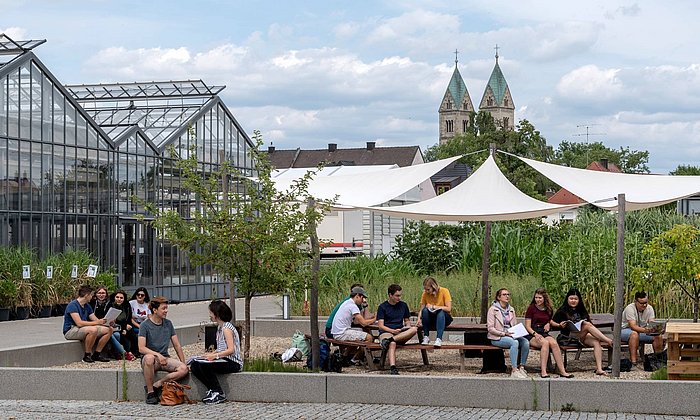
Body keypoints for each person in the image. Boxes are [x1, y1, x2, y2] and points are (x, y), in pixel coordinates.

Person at [189, 300, 243, 404]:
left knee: (206, 366)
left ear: (216, 314)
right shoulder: (220, 328)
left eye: (210, 313)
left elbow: (231, 350)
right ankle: (212, 389)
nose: (209, 315)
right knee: (195, 365)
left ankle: (219, 392)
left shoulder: (226, 328)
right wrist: (210, 355)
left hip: (233, 362)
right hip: (224, 359)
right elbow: (222, 348)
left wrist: (215, 356)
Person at [139, 296, 188, 404]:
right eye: (163, 308)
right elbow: (141, 348)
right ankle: (150, 393)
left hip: (165, 358)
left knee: (183, 369)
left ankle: (158, 384)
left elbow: (177, 345)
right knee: (149, 358)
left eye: (166, 308)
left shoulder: (168, 323)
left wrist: (183, 362)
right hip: (151, 359)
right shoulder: (145, 325)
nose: (166, 311)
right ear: (155, 310)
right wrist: (158, 355)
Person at [553, 288, 613, 376]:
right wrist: (559, 325)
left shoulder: (581, 310)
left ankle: (599, 369)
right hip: (568, 336)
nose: (573, 301)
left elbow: (589, 323)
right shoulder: (562, 310)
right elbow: (552, 322)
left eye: (575, 299)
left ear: (579, 300)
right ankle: (609, 341)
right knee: (587, 325)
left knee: (596, 341)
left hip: (582, 335)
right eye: (571, 299)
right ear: (567, 299)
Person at [524, 288, 574, 378]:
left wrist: (556, 325)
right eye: (536, 297)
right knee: (545, 343)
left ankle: (562, 370)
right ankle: (543, 371)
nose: (537, 300)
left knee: (554, 343)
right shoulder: (531, 308)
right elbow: (527, 326)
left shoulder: (548, 309)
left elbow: (549, 320)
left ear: (544, 298)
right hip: (532, 333)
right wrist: (535, 334)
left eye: (540, 298)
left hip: (543, 332)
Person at [62, 284, 113, 363]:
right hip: (71, 330)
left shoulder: (87, 306)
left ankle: (97, 354)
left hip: (82, 329)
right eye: (91, 295)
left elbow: (95, 319)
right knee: (93, 330)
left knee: (108, 330)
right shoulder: (72, 305)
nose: (92, 297)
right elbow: (79, 323)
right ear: (86, 295)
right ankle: (87, 355)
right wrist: (97, 322)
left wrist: (105, 322)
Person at [487, 288, 530, 378]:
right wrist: (504, 333)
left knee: (525, 342)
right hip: (497, 337)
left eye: (508, 294)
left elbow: (513, 325)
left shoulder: (511, 310)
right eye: (504, 294)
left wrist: (517, 332)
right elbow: (490, 328)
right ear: (499, 297)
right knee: (514, 343)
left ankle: (521, 367)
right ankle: (514, 370)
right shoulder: (493, 310)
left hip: (511, 334)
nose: (507, 296)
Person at [376, 284, 418, 375]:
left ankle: (389, 340)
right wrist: (392, 331)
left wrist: (407, 327)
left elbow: (407, 321)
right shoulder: (382, 307)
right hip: (387, 331)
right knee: (392, 343)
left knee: (414, 329)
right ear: (390, 295)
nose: (399, 298)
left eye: (400, 295)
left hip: (400, 333)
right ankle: (393, 367)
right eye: (397, 296)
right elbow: (380, 325)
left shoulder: (403, 305)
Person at [330, 286, 375, 365]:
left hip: (337, 332)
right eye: (362, 298)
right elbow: (363, 323)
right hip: (342, 333)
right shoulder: (353, 306)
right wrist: (375, 319)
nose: (363, 300)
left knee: (357, 336)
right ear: (357, 296)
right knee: (369, 337)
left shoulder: (346, 303)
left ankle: (344, 356)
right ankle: (355, 358)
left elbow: (357, 321)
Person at [621, 291, 664, 366]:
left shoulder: (650, 308)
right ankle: (633, 361)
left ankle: (658, 360)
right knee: (634, 334)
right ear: (636, 302)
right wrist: (646, 330)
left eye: (646, 302)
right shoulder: (630, 309)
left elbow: (651, 323)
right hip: (626, 330)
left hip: (642, 331)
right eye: (641, 303)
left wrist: (656, 329)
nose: (644, 305)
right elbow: (633, 326)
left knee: (657, 336)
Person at [418, 276, 452, 347]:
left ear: (433, 287)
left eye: (428, 289)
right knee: (425, 311)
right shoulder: (425, 294)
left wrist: (434, 307)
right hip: (432, 318)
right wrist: (419, 319)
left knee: (440, 312)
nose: (426, 291)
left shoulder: (444, 291)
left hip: (444, 318)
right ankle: (426, 336)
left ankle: (439, 338)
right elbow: (421, 309)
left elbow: (449, 308)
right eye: (425, 289)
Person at [108, 289, 137, 361]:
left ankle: (133, 352)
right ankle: (125, 353)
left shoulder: (127, 305)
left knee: (132, 333)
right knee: (119, 334)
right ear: (114, 297)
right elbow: (110, 320)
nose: (119, 299)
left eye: (121, 298)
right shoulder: (110, 305)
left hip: (125, 325)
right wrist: (124, 327)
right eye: (117, 297)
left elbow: (129, 318)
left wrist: (126, 327)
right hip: (114, 327)